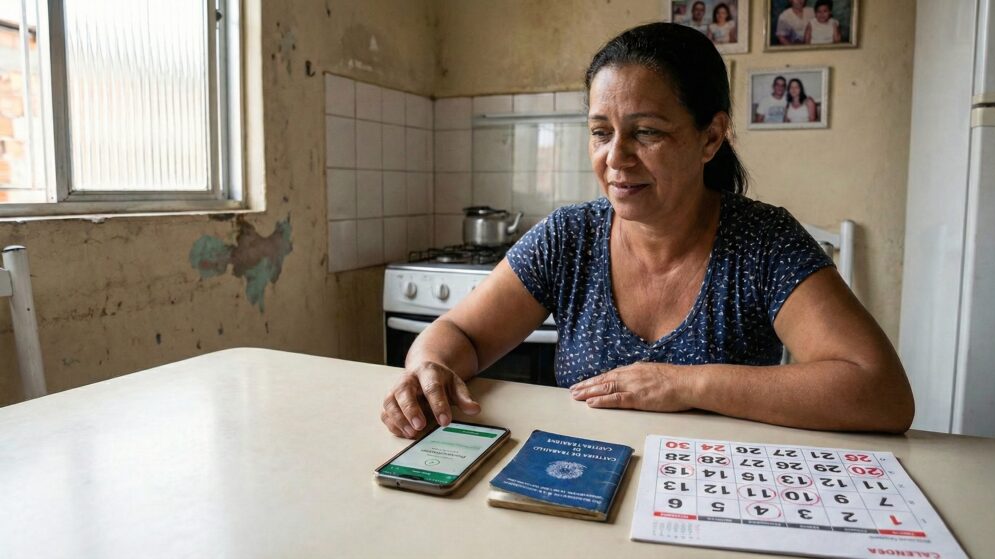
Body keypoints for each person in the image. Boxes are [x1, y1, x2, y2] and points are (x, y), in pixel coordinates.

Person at [380, 23, 914, 439]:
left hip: (711, 496)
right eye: (600, 132)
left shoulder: (763, 242)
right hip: (583, 480)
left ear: (711, 138)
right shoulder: (571, 236)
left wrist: (682, 382)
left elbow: (881, 391)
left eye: (647, 133)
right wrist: (430, 367)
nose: (616, 158)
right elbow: (461, 335)